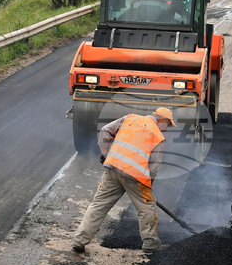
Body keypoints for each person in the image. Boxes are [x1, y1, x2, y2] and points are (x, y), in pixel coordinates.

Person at [72, 107, 176, 254]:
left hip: (112, 168)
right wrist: (148, 188)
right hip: (135, 176)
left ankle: (79, 240)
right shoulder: (158, 136)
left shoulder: (129, 119)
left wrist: (104, 154)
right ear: (162, 119)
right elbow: (154, 167)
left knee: (98, 205)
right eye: (168, 125)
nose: (167, 129)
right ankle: (151, 243)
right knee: (147, 208)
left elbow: (105, 130)